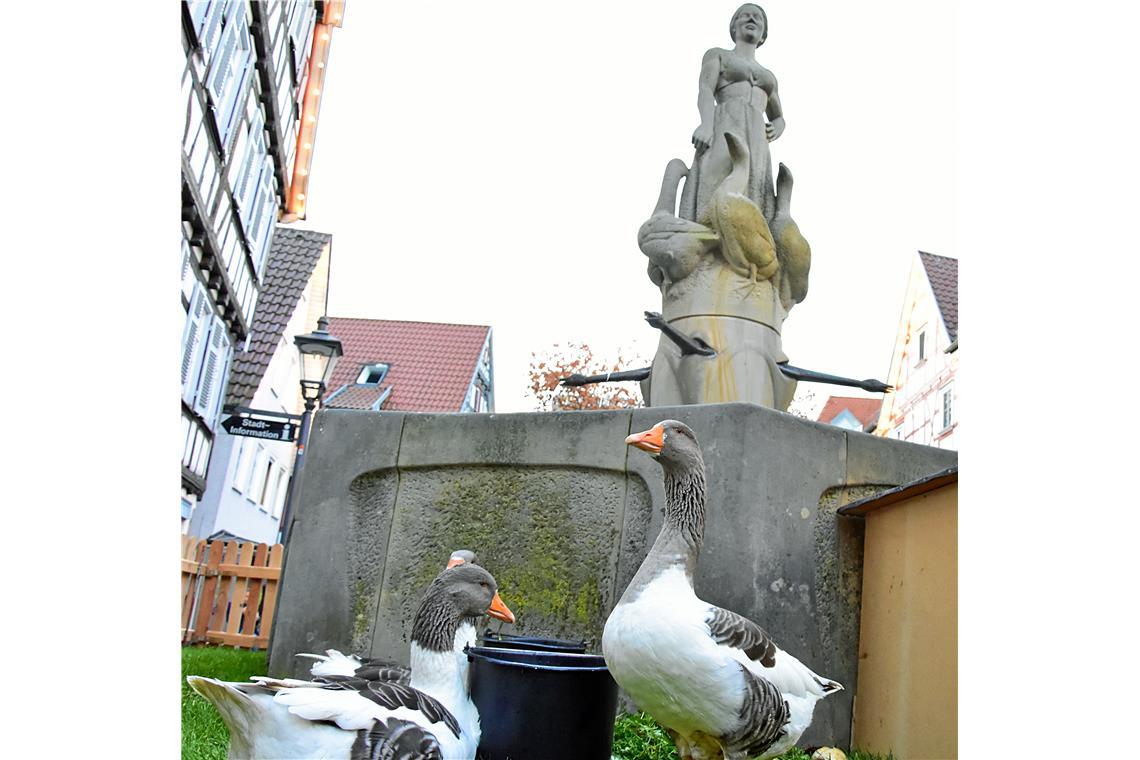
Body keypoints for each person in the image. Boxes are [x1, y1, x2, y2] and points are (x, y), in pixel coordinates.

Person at [679, 4, 784, 225]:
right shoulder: (718, 55)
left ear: (763, 34)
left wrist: (777, 126)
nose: (752, 19)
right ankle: (711, 232)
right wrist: (706, 124)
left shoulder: (768, 77)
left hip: (757, 137)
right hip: (727, 123)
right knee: (719, 177)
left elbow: (778, 116)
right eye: (745, 15)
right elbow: (706, 90)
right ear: (733, 26)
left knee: (755, 185)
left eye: (758, 17)